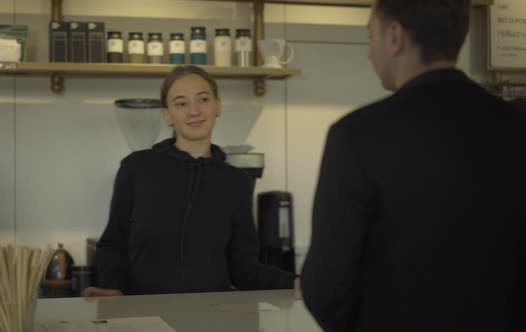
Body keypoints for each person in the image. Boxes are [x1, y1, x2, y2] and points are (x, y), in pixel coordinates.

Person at [301, 1, 526, 332]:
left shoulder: (357, 136)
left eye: (370, 36)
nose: (369, 53)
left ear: (395, 37)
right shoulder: (516, 127)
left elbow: (326, 288)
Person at [84, 65, 297, 297]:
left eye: (203, 99)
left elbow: (243, 268)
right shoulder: (136, 168)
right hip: (144, 316)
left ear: (218, 106)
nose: (194, 111)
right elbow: (113, 244)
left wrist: (295, 283)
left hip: (211, 316)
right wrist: (112, 289)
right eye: (181, 103)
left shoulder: (237, 182)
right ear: (168, 115)